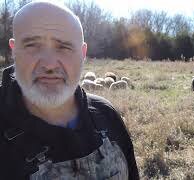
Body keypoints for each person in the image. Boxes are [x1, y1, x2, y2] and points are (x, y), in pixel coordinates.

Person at [0, 1, 139, 179]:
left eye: (64, 47)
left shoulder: (107, 116)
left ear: (83, 54)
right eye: (32, 45)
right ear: (14, 50)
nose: (49, 65)